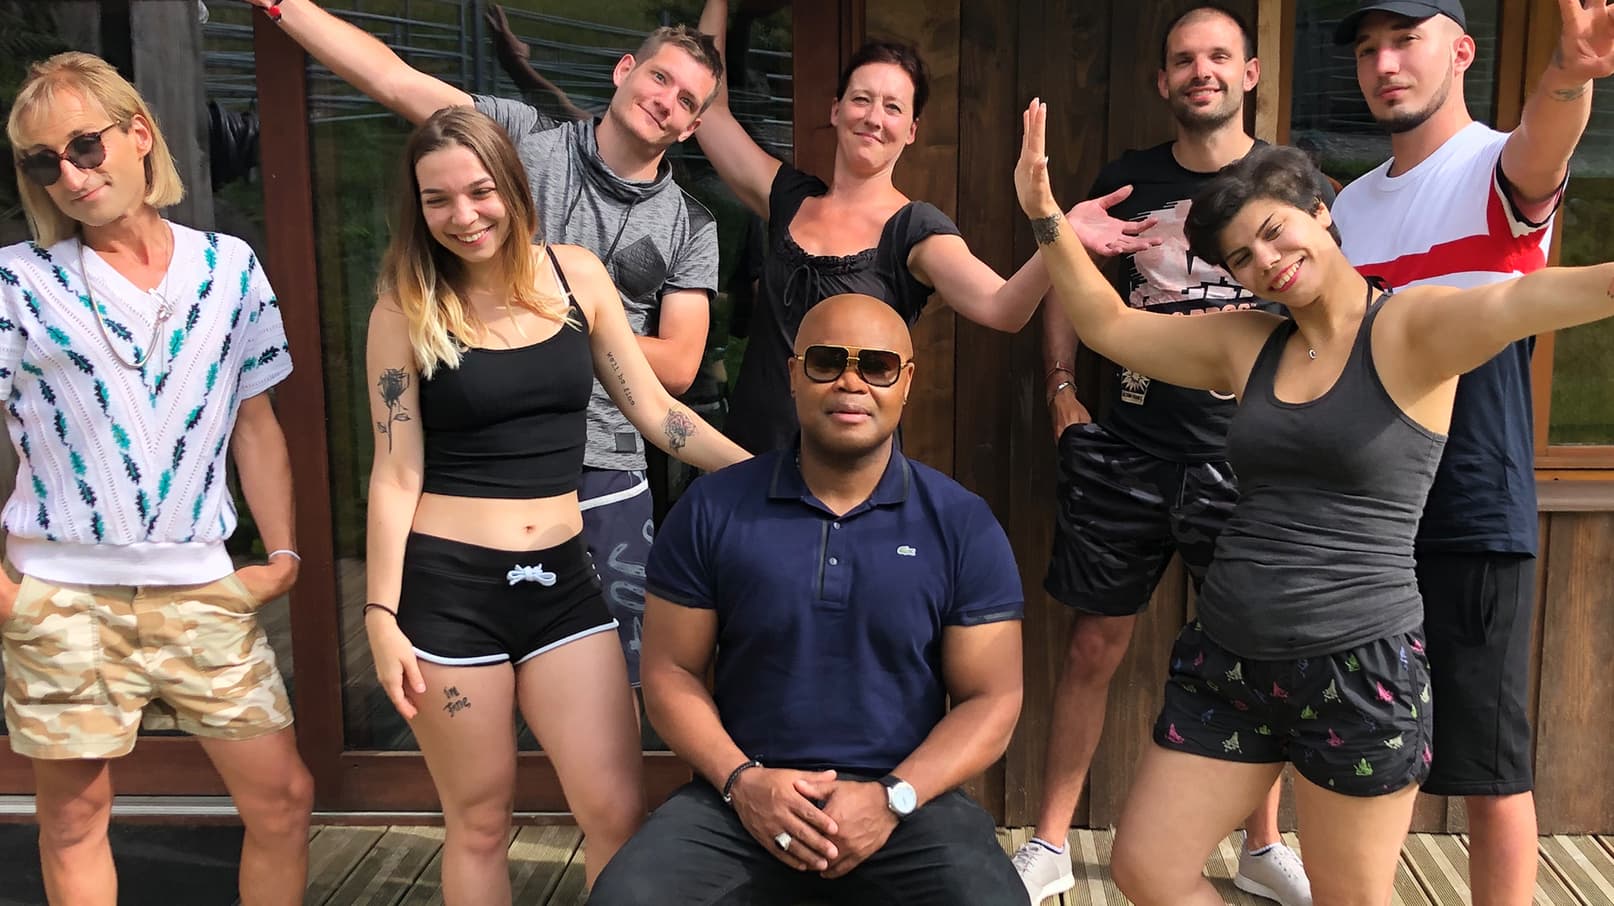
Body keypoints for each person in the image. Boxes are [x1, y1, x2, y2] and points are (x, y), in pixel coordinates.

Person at [1015, 101, 1614, 906]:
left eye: (1274, 232)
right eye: (1241, 257)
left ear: (1322, 213)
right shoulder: (1246, 342)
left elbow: (1531, 301)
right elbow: (1107, 325)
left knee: (1349, 898)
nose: (1265, 262)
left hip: (1358, 670)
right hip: (1230, 661)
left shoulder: (1413, 328)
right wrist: (1044, 212)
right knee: (1145, 868)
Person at [246, 0, 724, 692]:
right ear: (625, 70)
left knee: (620, 682)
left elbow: (676, 370)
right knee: (476, 679)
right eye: (660, 78)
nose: (665, 101)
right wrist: (282, 5)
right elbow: (393, 79)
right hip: (481, 466)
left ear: (693, 126)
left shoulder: (689, 225)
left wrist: (552, 319)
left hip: (607, 471)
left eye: (686, 101)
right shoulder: (520, 137)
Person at [360, 106, 748, 902]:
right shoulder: (405, 307)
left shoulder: (576, 278)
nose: (463, 215)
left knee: (616, 813)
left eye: (479, 191)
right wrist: (379, 615)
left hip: (564, 585)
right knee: (478, 822)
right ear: (417, 208)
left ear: (512, 185)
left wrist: (764, 474)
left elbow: (655, 412)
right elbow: (396, 472)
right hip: (449, 594)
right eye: (438, 200)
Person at [588, 294, 1027, 905]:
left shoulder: (960, 524)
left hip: (907, 802)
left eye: (876, 365)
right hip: (742, 796)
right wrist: (743, 781)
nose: (851, 381)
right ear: (794, 375)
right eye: (826, 362)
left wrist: (892, 797)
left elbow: (993, 698)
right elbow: (670, 672)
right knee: (626, 899)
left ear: (906, 381)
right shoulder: (713, 509)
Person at [0, 52, 312, 906]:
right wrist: (7, 593)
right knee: (74, 819)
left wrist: (281, 555)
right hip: (59, 596)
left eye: (85, 146)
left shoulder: (231, 269)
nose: (71, 175)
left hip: (201, 589)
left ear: (138, 134)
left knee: (283, 801)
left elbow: (256, 421)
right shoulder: (16, 280)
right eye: (44, 162)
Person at [1015, 8, 1310, 905]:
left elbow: (1327, 301)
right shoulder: (1128, 179)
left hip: (1252, 458)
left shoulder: (1290, 179)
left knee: (1259, 652)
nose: (1201, 71)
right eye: (1184, 60)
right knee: (1090, 646)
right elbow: (1071, 280)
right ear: (1163, 81)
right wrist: (1061, 389)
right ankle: (1049, 842)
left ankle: (1263, 846)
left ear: (1250, 72)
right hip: (1129, 448)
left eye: (1219, 56)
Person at [1332, 2, 1614, 901]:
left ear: (1461, 50)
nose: (1384, 64)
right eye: (1368, 48)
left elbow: (1546, 148)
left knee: (1491, 771)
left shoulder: (1496, 166)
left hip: (1470, 508)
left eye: (1404, 40)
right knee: (1367, 754)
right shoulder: (1347, 206)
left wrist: (1569, 74)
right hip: (1367, 518)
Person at [696, 0, 1158, 454]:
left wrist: (1058, 230)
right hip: (748, 460)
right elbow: (710, 111)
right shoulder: (789, 196)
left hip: (850, 475)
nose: (874, 118)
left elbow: (1003, 307)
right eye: (861, 99)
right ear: (836, 110)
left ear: (912, 130)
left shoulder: (913, 229)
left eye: (893, 107)